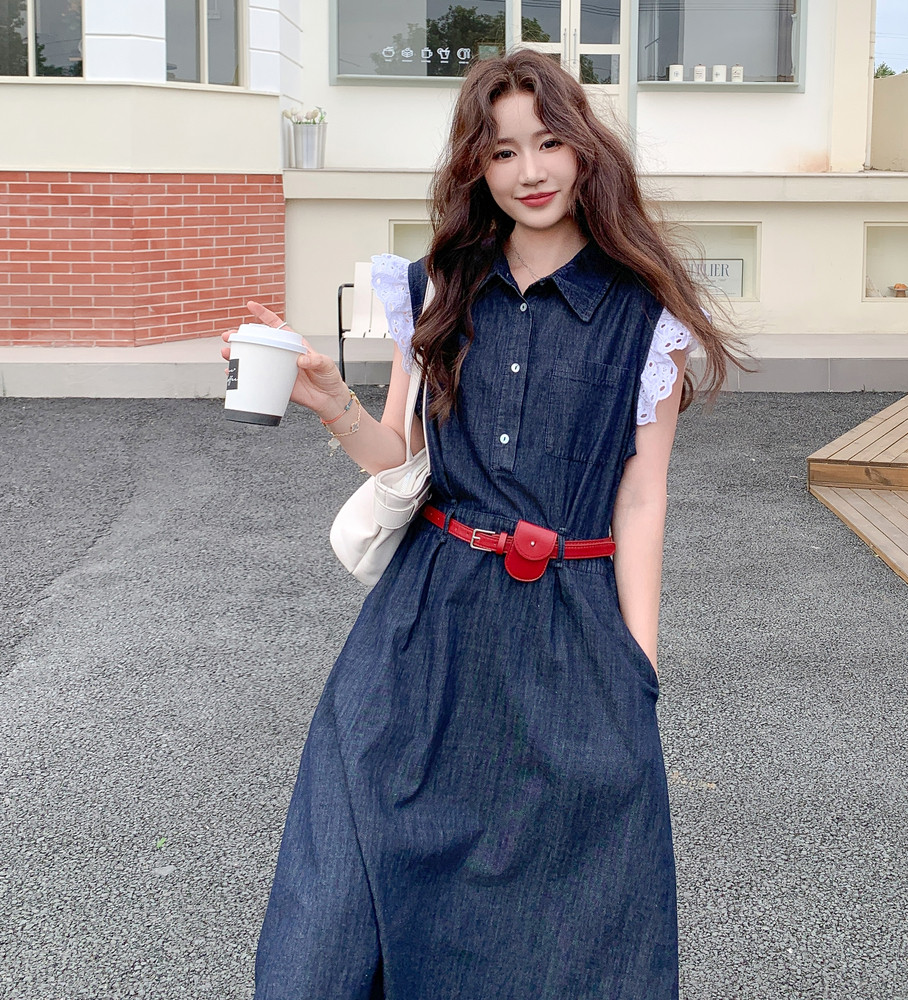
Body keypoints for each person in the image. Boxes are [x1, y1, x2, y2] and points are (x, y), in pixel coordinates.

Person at [223, 49, 741, 1000]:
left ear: (585, 151)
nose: (530, 171)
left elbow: (642, 495)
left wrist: (637, 665)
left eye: (549, 143)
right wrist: (333, 401)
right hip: (426, 620)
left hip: (571, 628)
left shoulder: (644, 315)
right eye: (503, 153)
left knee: (563, 911)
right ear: (477, 168)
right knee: (342, 883)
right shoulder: (436, 286)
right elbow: (398, 455)